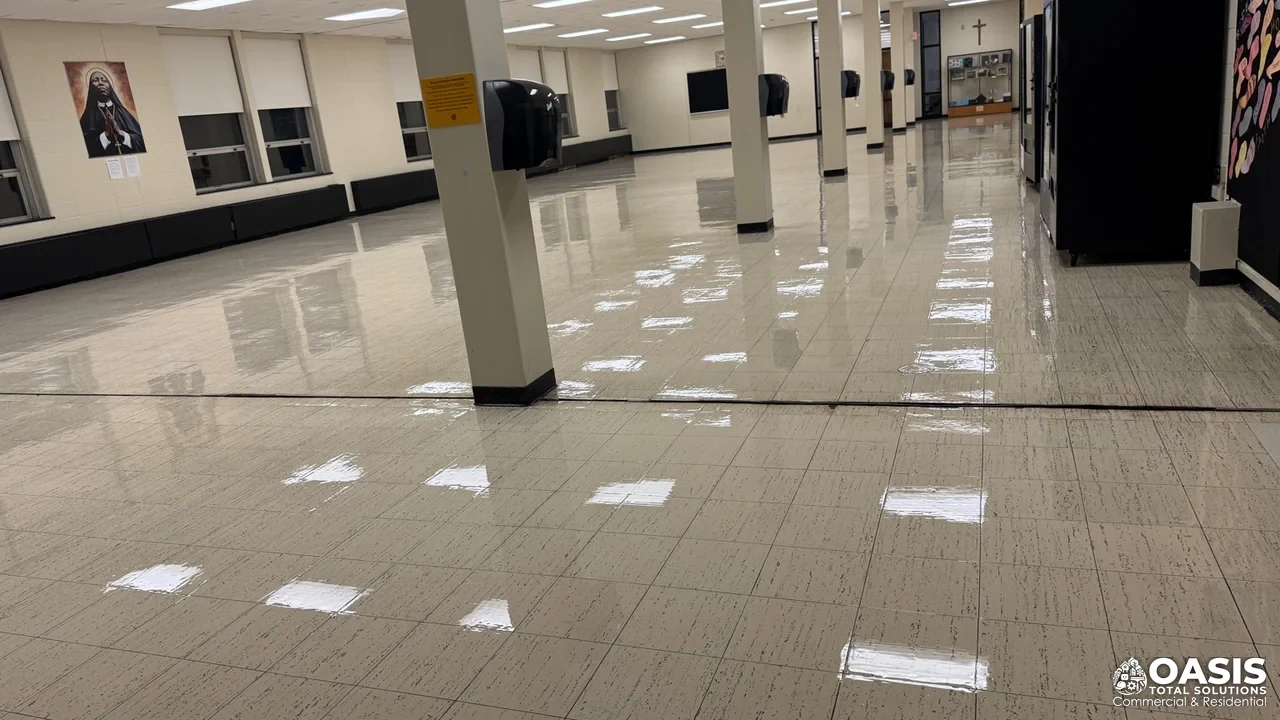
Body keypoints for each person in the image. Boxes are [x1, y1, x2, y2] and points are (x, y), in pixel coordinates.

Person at [79, 69, 145, 157]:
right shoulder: (88, 117)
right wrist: (105, 136)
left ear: (110, 86)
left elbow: (141, 140)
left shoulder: (122, 112)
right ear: (91, 87)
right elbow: (85, 147)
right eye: (95, 80)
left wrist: (121, 133)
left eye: (104, 80)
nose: (100, 83)